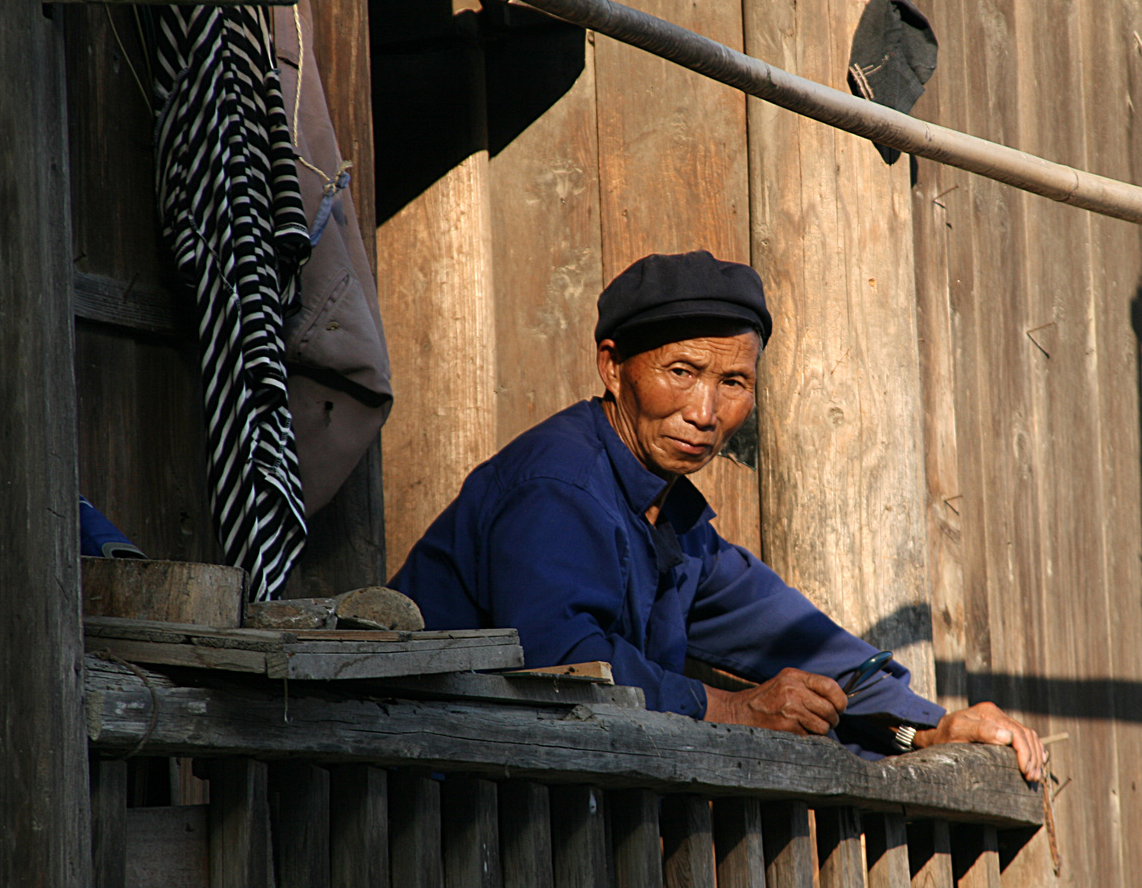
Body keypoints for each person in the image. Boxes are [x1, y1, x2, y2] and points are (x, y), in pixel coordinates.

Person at [390, 251, 1045, 780]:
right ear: (613, 367)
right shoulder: (557, 489)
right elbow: (565, 664)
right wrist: (734, 708)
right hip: (422, 809)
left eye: (733, 383)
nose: (706, 412)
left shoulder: (671, 519)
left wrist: (931, 728)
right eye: (682, 370)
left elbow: (807, 648)